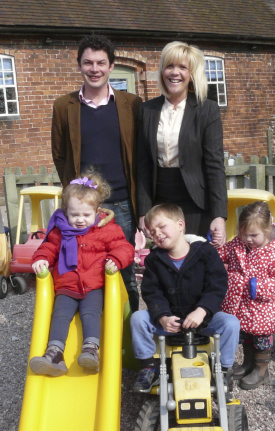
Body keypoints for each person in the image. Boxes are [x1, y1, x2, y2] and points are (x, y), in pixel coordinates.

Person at [51, 34, 142, 312]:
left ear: (111, 66)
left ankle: (128, 345)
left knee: (123, 273)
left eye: (101, 63)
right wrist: (77, 199)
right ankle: (93, 339)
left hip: (123, 206)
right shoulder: (64, 106)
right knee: (82, 273)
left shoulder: (132, 104)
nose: (94, 69)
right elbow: (60, 155)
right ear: (79, 65)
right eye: (88, 62)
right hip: (86, 208)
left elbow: (141, 154)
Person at [29, 169, 134, 377]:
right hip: (66, 286)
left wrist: (116, 259)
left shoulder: (106, 229)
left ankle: (90, 350)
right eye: (74, 214)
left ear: (97, 212)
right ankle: (55, 354)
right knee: (59, 315)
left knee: (91, 314)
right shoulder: (60, 231)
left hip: (94, 286)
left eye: (86, 215)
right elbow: (48, 248)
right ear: (66, 211)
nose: (79, 220)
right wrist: (40, 259)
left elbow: (125, 248)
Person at [130, 203, 240, 397]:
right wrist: (162, 316)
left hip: (202, 319)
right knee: (138, 319)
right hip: (170, 320)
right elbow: (152, 292)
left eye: (162, 226)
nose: (158, 234)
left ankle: (223, 370)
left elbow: (217, 285)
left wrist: (203, 310)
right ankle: (148, 368)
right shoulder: (154, 260)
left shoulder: (205, 253)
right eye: (153, 232)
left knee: (231, 323)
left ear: (180, 225)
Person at [137, 41, 227, 248]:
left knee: (193, 262)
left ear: (192, 73)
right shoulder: (147, 110)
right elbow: (142, 165)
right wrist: (143, 211)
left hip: (195, 202)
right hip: (159, 201)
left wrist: (219, 215)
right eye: (169, 66)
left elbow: (215, 166)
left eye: (182, 67)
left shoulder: (207, 110)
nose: (175, 73)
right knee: (164, 264)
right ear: (162, 71)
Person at [218, 201, 275, 390]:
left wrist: (257, 287)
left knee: (261, 340)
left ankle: (261, 371)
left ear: (267, 230)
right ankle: (248, 364)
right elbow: (222, 253)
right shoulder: (238, 244)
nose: (248, 239)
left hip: (262, 308)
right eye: (244, 234)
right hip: (240, 306)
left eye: (253, 235)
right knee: (247, 337)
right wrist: (214, 245)